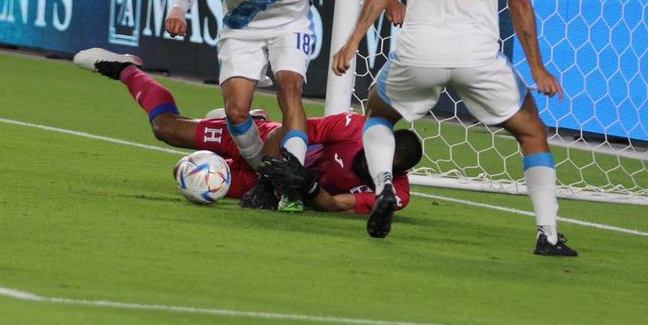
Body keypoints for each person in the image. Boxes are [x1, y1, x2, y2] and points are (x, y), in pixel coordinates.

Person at [332, 0, 577, 256]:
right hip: (476, 53)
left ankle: (384, 186)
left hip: (419, 47)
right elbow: (519, 2)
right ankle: (548, 235)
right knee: (532, 130)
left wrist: (354, 39)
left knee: (378, 112)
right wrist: (538, 67)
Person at [163, 0, 403, 211]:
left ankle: (289, 185)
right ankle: (263, 174)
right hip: (242, 31)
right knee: (236, 111)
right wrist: (178, 7)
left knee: (290, 90)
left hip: (291, 26)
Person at [71, 47, 422, 211]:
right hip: (260, 143)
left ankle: (218, 158)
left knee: (187, 176)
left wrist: (309, 189)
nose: (370, 164)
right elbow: (282, 133)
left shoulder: (395, 193)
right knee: (165, 129)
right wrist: (271, 180)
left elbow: (337, 204)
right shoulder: (352, 128)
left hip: (272, 182)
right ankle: (125, 69)